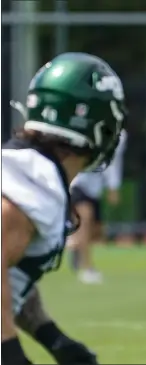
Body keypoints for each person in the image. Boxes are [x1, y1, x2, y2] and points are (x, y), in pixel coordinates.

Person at [2, 52, 127, 364]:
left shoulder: (29, 170)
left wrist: (52, 337)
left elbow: (12, 272)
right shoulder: (32, 185)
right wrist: (9, 353)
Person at [67, 128, 128, 284]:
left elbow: (113, 162)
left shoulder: (118, 136)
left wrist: (113, 187)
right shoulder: (85, 129)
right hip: (78, 184)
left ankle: (75, 244)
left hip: (95, 189)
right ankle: (87, 269)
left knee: (97, 232)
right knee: (85, 220)